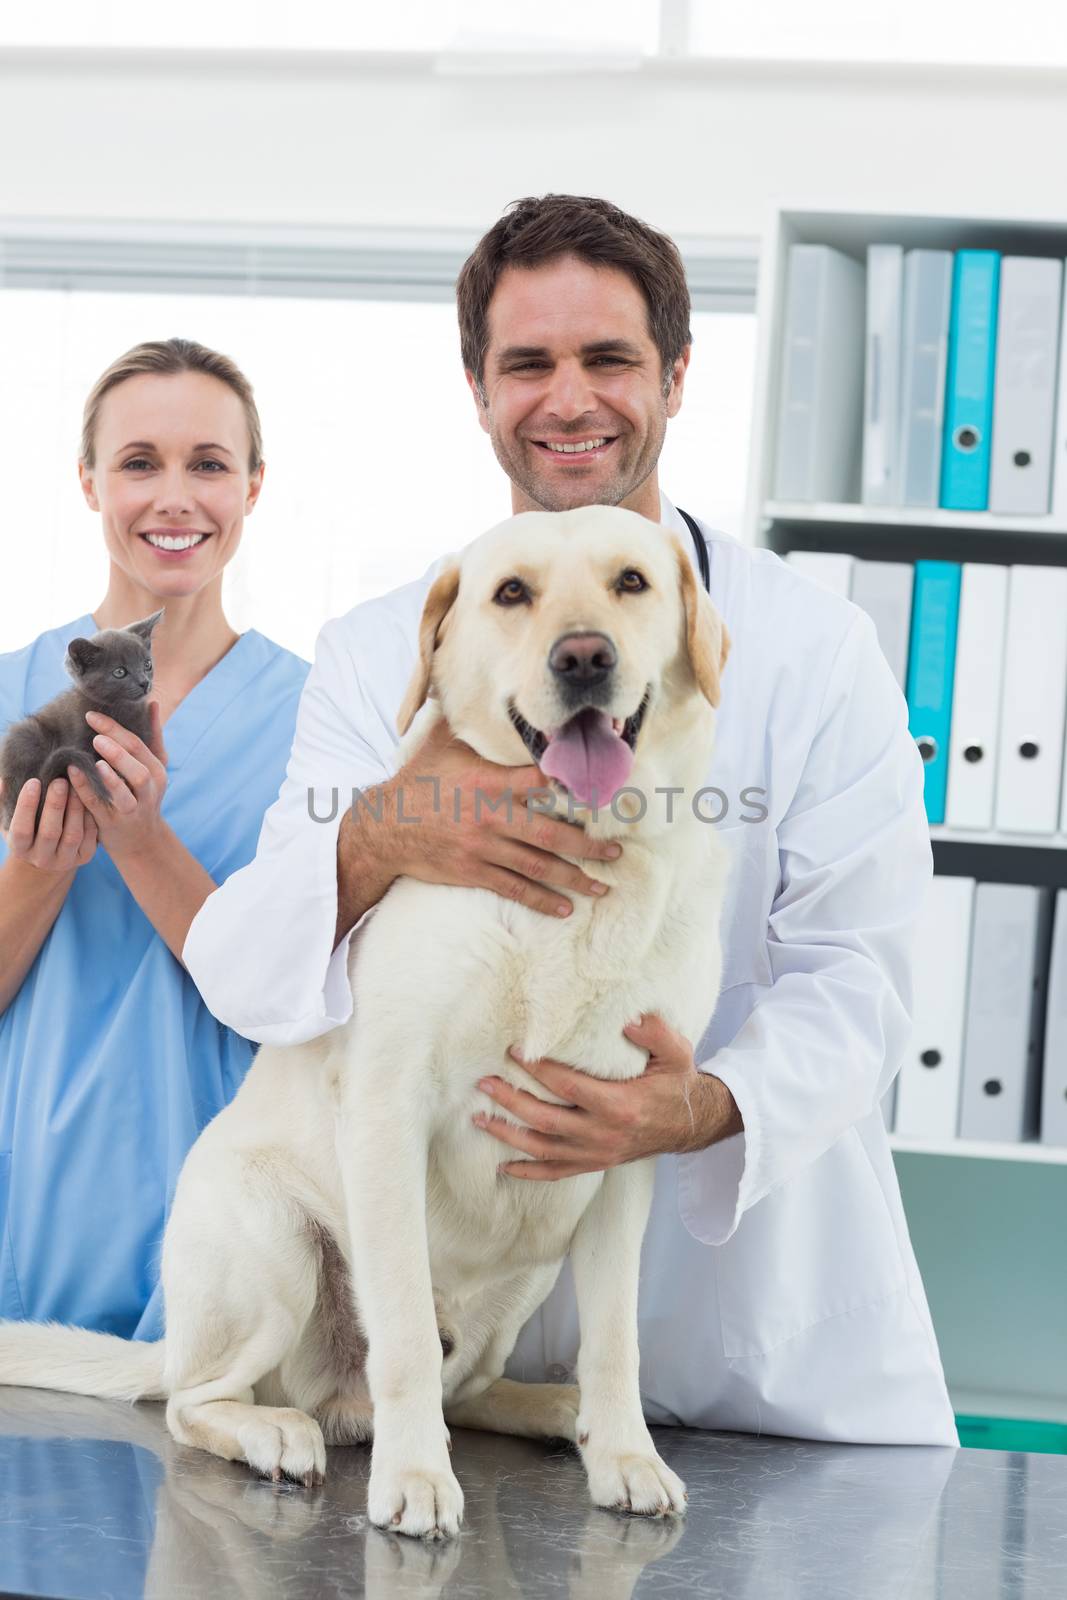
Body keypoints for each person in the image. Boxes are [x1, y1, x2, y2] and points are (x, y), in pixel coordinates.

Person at [182, 197, 959, 1447]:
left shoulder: (813, 649)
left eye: (609, 359)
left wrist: (698, 1106)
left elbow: (861, 972)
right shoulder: (385, 646)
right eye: (527, 364)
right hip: (460, 1359)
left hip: (743, 1334)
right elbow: (241, 965)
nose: (570, 399)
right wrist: (377, 836)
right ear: (478, 391)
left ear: (676, 375)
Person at [0, 339, 309, 1342]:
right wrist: (38, 875)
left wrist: (139, 842)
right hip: (27, 1199)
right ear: (88, 481)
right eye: (139, 462)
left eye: (208, 464)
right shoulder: (9, 695)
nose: (174, 497)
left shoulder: (318, 718)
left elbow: (305, 998)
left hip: (228, 1205)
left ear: (254, 487)